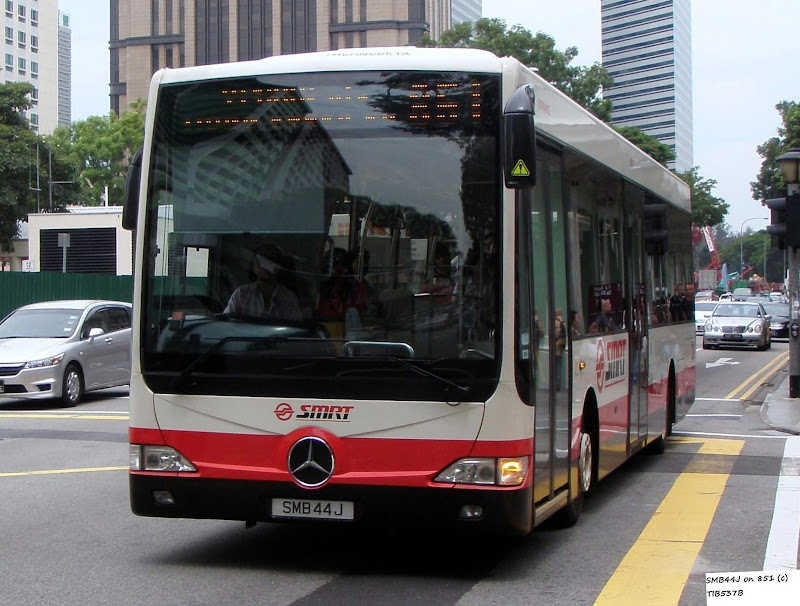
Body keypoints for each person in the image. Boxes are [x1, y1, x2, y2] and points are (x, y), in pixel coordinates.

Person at [224, 243, 302, 321]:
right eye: (261, 259)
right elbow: (226, 323)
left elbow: (295, 326)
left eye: (271, 260)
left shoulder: (289, 299)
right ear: (253, 266)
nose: (265, 265)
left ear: (278, 266)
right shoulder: (241, 295)